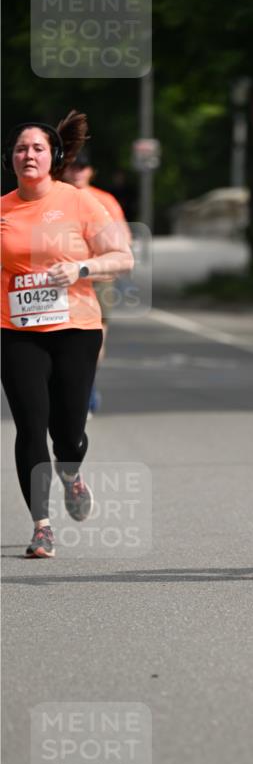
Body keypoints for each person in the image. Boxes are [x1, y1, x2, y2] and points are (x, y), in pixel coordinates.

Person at [1, 111, 134, 557]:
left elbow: (122, 257)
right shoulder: (2, 209)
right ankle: (42, 526)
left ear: (53, 155)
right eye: (21, 149)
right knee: (30, 425)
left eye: (37, 148)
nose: (28, 155)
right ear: (10, 159)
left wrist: (80, 267)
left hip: (75, 328)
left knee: (69, 432)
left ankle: (70, 472)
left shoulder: (79, 202)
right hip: (16, 330)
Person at [63, 147, 132, 413]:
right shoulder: (56, 198)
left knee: (95, 337)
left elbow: (124, 238)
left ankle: (86, 389)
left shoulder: (105, 200)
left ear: (91, 171)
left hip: (97, 276)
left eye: (82, 166)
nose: (77, 171)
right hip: (63, 277)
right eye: (71, 166)